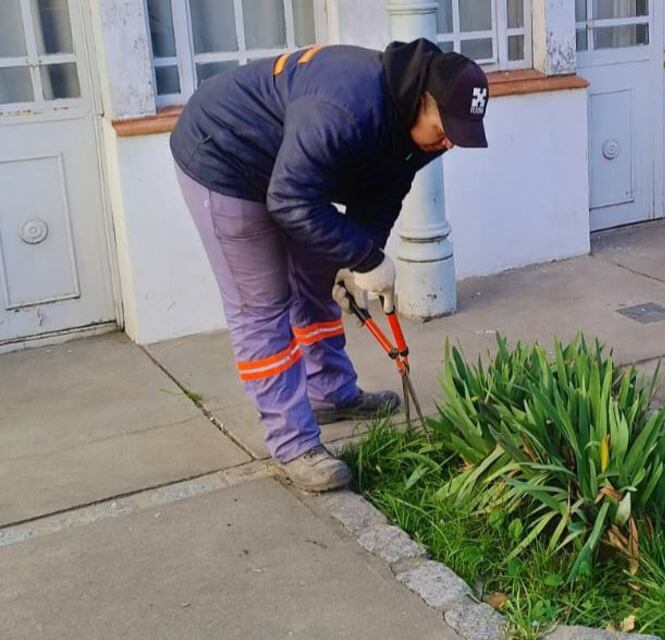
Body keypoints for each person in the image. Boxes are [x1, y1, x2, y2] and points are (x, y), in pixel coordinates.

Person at [170, 38, 490, 491]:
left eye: (458, 134)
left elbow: (383, 194)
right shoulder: (348, 106)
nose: (448, 143)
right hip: (225, 157)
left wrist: (359, 256)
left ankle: (332, 393)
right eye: (444, 128)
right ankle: (294, 444)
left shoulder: (419, 129)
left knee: (316, 281)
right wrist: (362, 256)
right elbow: (288, 198)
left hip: (294, 172)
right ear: (422, 99)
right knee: (262, 307)